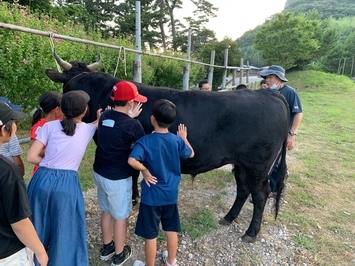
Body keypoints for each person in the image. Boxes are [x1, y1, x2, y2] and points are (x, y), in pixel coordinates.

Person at [26, 90, 101, 266]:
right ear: (84, 111)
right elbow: (97, 123)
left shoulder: (48, 127)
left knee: (36, 227)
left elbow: (30, 157)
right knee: (65, 230)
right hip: (66, 184)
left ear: (61, 109)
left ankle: (32, 261)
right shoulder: (88, 129)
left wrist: (50, 161)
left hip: (41, 179)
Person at [128, 99, 195, 266]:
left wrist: (145, 170)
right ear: (172, 122)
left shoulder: (145, 141)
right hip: (170, 195)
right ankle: (171, 261)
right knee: (171, 230)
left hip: (151, 196)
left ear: (152, 119)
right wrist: (184, 138)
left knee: (150, 235)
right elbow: (191, 154)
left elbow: (132, 160)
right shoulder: (176, 141)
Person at [93, 81, 147, 266]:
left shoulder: (105, 115)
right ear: (131, 103)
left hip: (100, 172)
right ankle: (119, 254)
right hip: (118, 178)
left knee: (106, 210)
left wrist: (129, 117)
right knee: (121, 216)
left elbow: (115, 124)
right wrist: (132, 118)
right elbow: (142, 146)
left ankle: (107, 247)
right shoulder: (134, 125)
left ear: (114, 99)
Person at [0, 101, 48, 266]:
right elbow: (20, 223)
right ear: (3, 130)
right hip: (7, 253)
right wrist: (40, 251)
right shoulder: (7, 171)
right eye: (12, 121)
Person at [259, 65, 303, 194]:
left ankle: (273, 188)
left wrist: (291, 134)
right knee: (268, 159)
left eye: (271, 77)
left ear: (279, 78)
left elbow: (298, 113)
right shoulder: (267, 91)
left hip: (281, 134)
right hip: (266, 133)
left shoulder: (290, 92)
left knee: (273, 161)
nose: (267, 80)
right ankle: (277, 181)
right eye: (267, 77)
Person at [30, 91, 62, 174]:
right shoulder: (39, 127)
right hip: (44, 171)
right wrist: (50, 151)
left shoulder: (62, 123)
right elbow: (33, 149)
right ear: (57, 109)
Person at [0, 97, 25, 175]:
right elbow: (18, 162)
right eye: (13, 121)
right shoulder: (9, 170)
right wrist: (19, 177)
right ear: (4, 129)